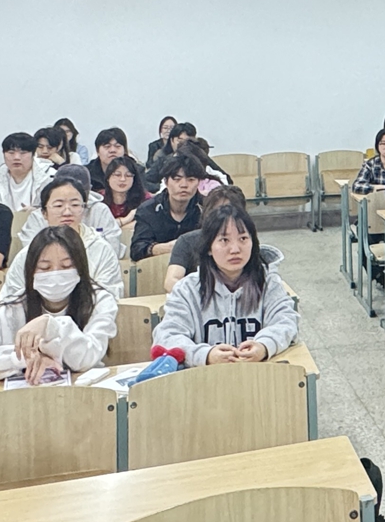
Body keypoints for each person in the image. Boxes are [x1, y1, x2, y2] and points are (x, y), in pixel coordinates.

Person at [0, 226, 118, 383]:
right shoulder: (9, 309)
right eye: (44, 268)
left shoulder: (99, 301)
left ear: (81, 269)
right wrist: (24, 356)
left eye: (67, 266)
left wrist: (50, 326)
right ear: (30, 271)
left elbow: (87, 358)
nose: (55, 274)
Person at [153, 205, 299, 366]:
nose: (235, 249)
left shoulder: (268, 282)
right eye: (224, 240)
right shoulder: (187, 289)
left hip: (257, 376)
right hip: (204, 378)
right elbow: (167, 336)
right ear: (209, 247)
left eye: (243, 239)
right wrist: (205, 355)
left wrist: (264, 346)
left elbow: (286, 321)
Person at [2, 173, 126, 303]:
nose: (67, 212)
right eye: (58, 206)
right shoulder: (28, 253)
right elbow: (11, 298)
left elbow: (110, 295)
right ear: (44, 213)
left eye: (75, 205)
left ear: (83, 209)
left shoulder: (101, 249)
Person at [17, 164, 124, 258]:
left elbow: (113, 250)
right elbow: (30, 252)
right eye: (59, 205)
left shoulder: (100, 210)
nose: (67, 211)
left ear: (89, 189)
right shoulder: (38, 215)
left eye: (75, 202)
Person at [131, 155, 203, 262]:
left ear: (198, 182)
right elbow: (136, 249)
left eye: (191, 179)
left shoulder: (208, 208)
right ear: (166, 182)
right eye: (177, 179)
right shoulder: (148, 210)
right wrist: (164, 248)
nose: (184, 185)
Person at [0, 131, 53, 212]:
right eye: (11, 153)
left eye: (23, 153)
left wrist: (37, 212)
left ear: (33, 154)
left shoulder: (49, 176)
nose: (16, 157)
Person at [352, 129, 385, 194]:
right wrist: (378, 188)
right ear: (377, 146)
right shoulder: (370, 164)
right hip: (376, 199)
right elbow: (356, 186)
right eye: (384, 143)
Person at [100, 156, 148, 222]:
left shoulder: (145, 199)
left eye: (128, 175)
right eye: (117, 175)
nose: (123, 179)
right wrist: (126, 219)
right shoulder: (99, 199)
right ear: (108, 178)